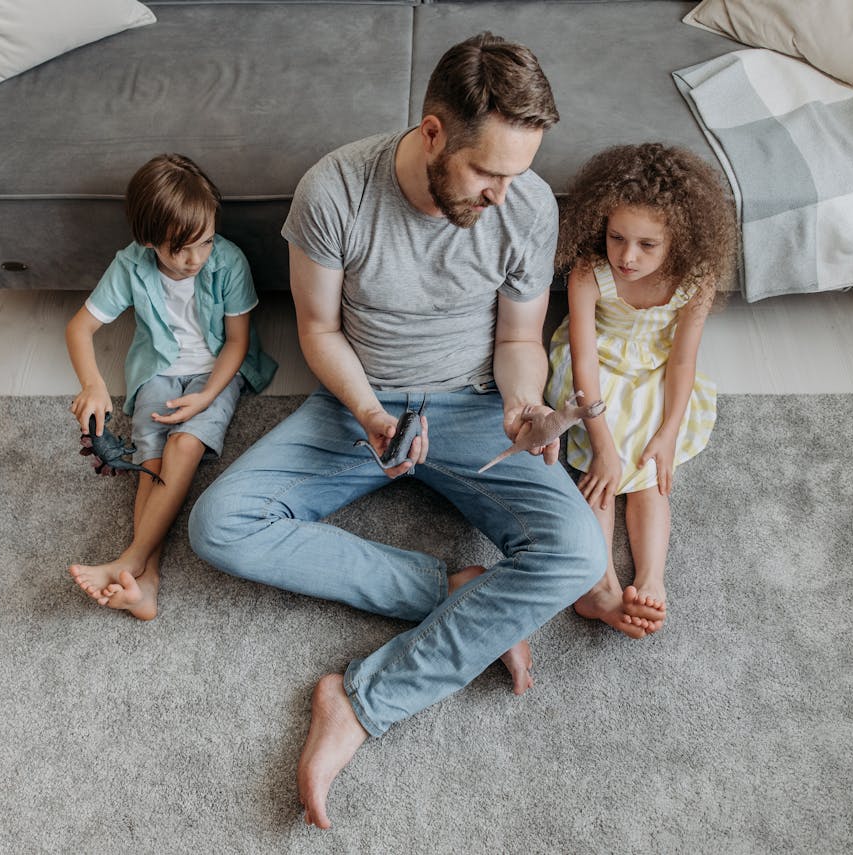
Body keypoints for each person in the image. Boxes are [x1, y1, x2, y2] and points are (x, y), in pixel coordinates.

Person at [188, 33, 602, 828]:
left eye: (517, 174)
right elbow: (317, 330)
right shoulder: (335, 190)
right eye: (488, 172)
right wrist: (374, 415)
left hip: (473, 405)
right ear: (433, 132)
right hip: (360, 404)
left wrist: (522, 402)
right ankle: (453, 594)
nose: (502, 196)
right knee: (219, 524)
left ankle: (361, 699)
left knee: (579, 553)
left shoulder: (527, 203)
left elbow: (518, 339)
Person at [65, 153, 276, 621]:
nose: (195, 259)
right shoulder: (130, 266)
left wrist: (206, 396)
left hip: (216, 373)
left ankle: (134, 560)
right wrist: (93, 384)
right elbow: (79, 329)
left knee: (183, 447)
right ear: (149, 242)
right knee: (151, 460)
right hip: (155, 372)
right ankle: (147, 585)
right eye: (179, 249)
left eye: (203, 242)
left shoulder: (228, 261)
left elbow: (237, 343)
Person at [543, 142, 737, 637]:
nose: (627, 257)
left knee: (650, 472)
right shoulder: (591, 272)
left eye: (647, 245)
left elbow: (682, 360)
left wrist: (669, 431)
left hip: (654, 368)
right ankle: (601, 583)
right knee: (601, 472)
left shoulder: (696, 280)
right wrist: (603, 444)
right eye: (617, 237)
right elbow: (585, 360)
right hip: (595, 371)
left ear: (680, 242)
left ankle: (651, 579)